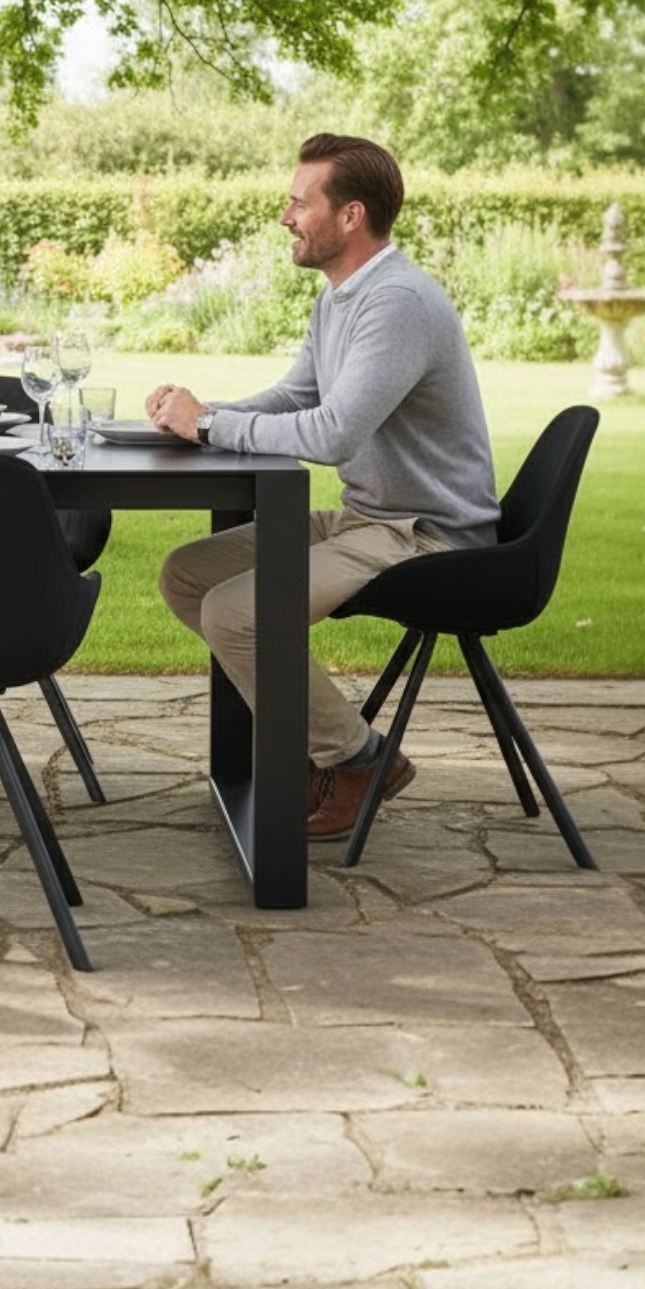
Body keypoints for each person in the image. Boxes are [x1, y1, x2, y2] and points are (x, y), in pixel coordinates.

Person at [145, 133, 499, 841]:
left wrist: (210, 424)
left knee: (238, 613)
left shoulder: (396, 301)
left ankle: (358, 760)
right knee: (188, 576)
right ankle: (316, 751)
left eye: (298, 203)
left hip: (427, 534)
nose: (285, 216)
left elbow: (330, 434)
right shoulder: (340, 298)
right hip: (368, 516)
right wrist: (197, 416)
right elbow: (293, 398)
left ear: (350, 216)